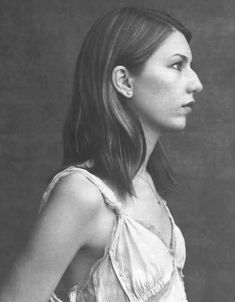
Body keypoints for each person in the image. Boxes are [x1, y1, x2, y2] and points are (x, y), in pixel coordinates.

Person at [0, 6, 203, 302]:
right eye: (176, 65)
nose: (196, 83)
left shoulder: (145, 180)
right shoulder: (82, 193)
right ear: (124, 81)